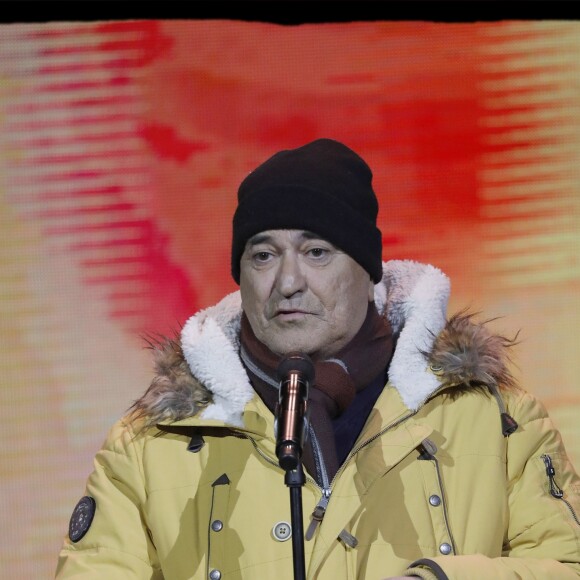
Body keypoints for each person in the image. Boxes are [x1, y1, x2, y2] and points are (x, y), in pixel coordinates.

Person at [55, 139, 580, 580]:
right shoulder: (149, 445)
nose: (287, 282)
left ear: (368, 269)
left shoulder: (497, 420)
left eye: (316, 252)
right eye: (263, 255)